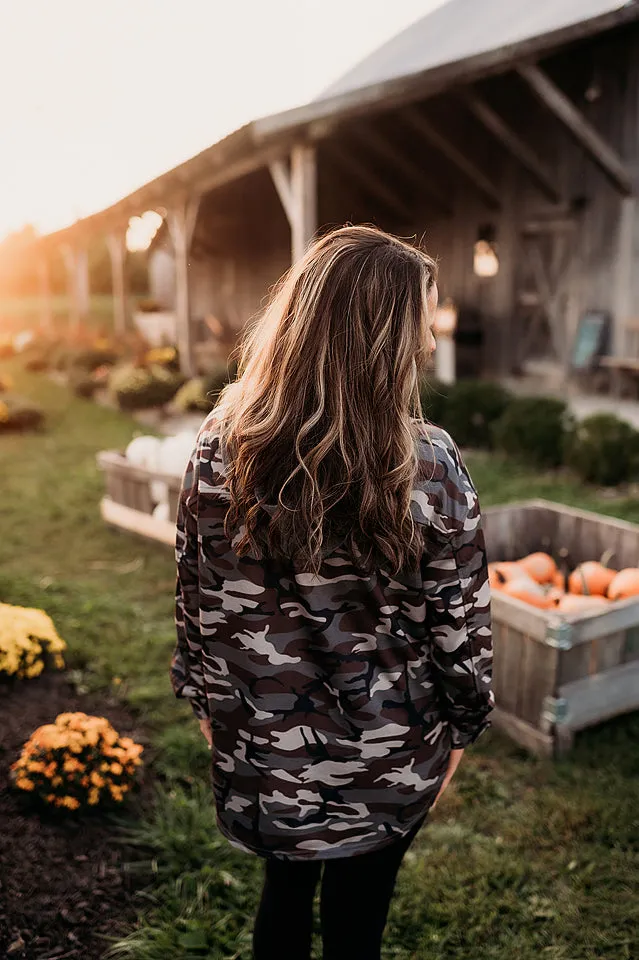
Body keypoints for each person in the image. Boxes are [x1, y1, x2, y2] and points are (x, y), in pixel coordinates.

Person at [170, 225, 494, 960]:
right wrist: (463, 731)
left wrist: (202, 698)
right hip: (390, 756)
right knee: (357, 928)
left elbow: (194, 598)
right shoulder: (429, 466)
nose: (431, 343)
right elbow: (460, 630)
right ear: (387, 338)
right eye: (424, 324)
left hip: (260, 748)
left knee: (281, 901)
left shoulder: (219, 446)